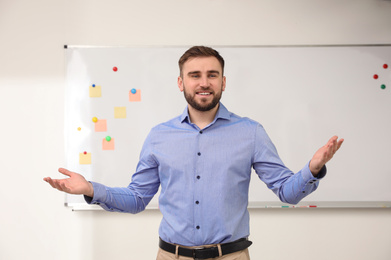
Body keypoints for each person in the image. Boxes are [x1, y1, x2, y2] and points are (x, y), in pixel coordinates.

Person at [44, 46, 344, 260]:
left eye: (213, 75)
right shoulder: (159, 136)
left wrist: (313, 169)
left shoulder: (250, 133)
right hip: (171, 256)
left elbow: (286, 192)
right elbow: (137, 199)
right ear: (181, 82)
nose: (204, 82)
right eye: (195, 75)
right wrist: (90, 189)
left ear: (223, 82)